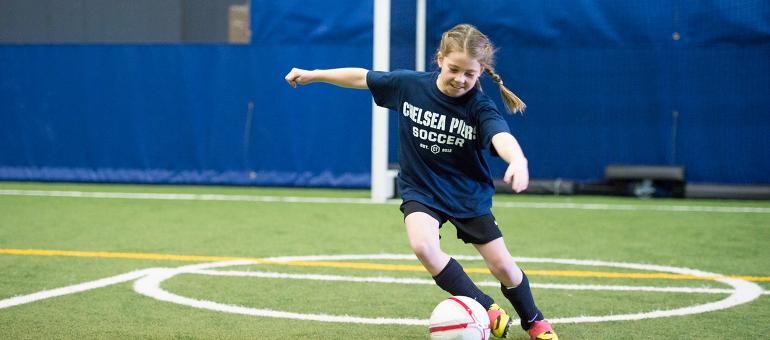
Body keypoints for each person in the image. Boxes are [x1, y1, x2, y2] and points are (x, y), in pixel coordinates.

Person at [285, 23, 557, 340]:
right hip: (421, 188)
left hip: (466, 195)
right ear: (439, 59)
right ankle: (485, 307)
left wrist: (519, 160)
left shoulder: (479, 106)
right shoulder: (410, 85)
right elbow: (362, 77)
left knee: (504, 268)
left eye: (469, 74)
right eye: (454, 69)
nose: (460, 79)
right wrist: (314, 73)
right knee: (423, 246)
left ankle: (534, 320)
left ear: (481, 71)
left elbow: (500, 135)